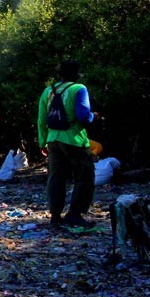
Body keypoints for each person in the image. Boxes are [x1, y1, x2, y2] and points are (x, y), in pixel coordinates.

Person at [37, 60, 99, 227]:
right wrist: (94, 116)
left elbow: (41, 119)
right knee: (84, 177)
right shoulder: (78, 89)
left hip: (53, 140)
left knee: (56, 177)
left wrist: (43, 142)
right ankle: (74, 214)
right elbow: (83, 116)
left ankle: (55, 215)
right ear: (76, 74)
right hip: (74, 139)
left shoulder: (48, 91)